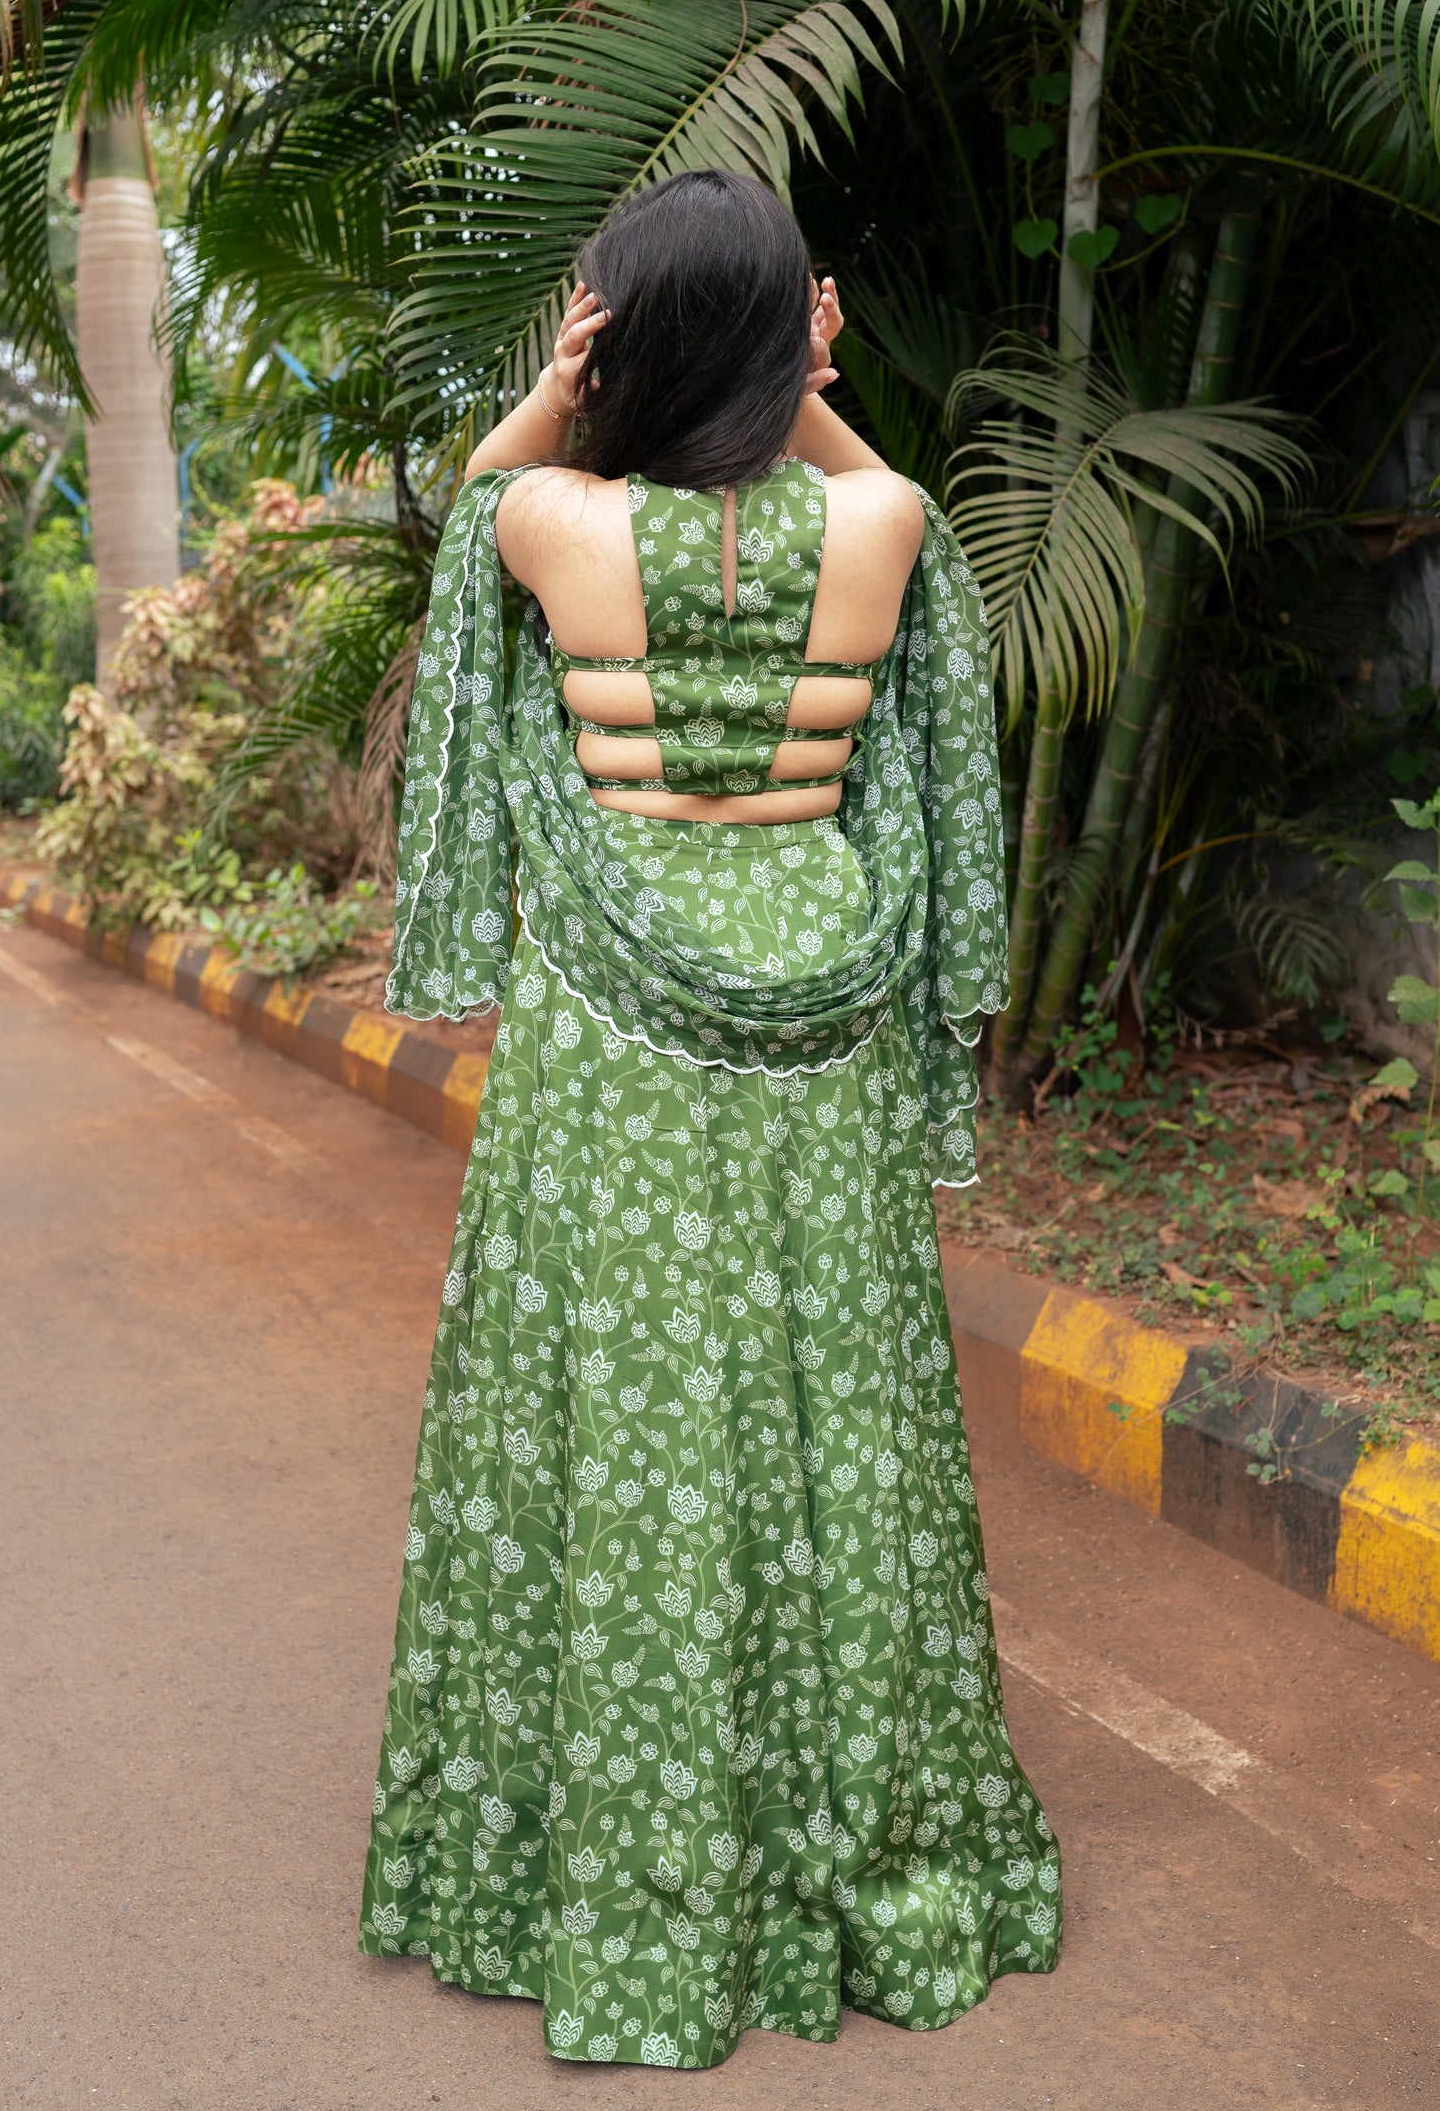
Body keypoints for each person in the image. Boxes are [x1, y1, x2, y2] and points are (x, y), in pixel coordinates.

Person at [359, 168, 1061, 2069]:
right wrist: (805, 384)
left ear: (621, 338)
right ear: (785, 334)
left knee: (618, 1391)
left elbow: (470, 513)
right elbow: (872, 504)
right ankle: (848, 1840)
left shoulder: (557, 524)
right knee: (836, 1390)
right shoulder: (886, 526)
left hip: (617, 1021)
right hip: (823, 996)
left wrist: (558, 379)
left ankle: (616, 1866)